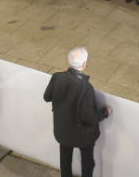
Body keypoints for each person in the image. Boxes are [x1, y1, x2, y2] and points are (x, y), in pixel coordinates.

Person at [43, 47, 111, 177]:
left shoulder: (57, 77)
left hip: (62, 129)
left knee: (65, 160)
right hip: (83, 136)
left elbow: (47, 97)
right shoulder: (86, 87)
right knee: (87, 163)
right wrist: (104, 113)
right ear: (84, 64)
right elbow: (88, 116)